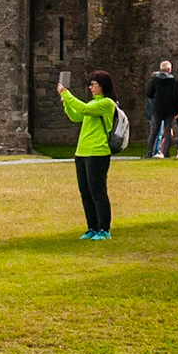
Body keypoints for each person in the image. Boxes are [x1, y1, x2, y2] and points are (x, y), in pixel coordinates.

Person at [56, 70, 117, 240]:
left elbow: (83, 108)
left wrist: (66, 93)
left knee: (97, 191)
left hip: (98, 152)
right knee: (85, 192)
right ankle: (92, 226)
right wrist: (66, 103)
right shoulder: (93, 104)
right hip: (82, 152)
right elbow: (77, 116)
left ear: (102, 86)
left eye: (93, 84)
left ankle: (104, 228)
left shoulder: (106, 104)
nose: (90, 87)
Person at [144, 62, 178, 159]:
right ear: (169, 70)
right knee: (168, 131)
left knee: (154, 131)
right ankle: (166, 152)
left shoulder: (155, 80)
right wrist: (177, 111)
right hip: (170, 109)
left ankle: (149, 152)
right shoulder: (174, 82)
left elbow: (148, 93)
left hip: (158, 108)